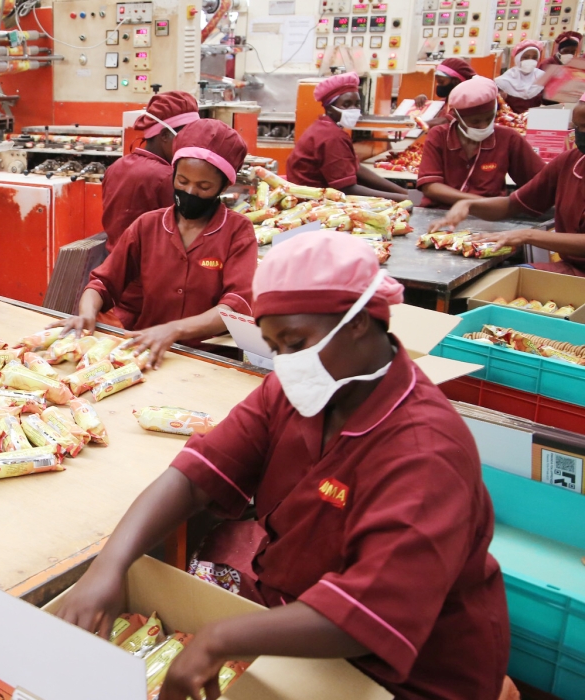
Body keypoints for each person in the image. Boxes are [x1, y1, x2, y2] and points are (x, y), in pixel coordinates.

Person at [56, 230, 509, 700]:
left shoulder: (423, 451)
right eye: (275, 348)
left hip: (405, 671)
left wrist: (220, 638)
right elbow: (195, 477)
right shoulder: (301, 389)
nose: (287, 364)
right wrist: (109, 567)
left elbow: (372, 613)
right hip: (300, 626)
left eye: (295, 342)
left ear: (358, 322)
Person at [49, 119, 257, 367]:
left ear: (225, 185)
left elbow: (236, 306)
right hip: (146, 349)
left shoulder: (237, 231)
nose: (190, 192)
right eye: (182, 181)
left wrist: (174, 330)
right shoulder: (147, 226)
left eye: (204, 186)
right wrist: (86, 314)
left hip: (210, 358)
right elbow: (103, 284)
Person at [427, 95, 585, 276]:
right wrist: (468, 205)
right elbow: (512, 204)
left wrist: (528, 235)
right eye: (576, 127)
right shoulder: (570, 162)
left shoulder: (508, 138)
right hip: (571, 270)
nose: (579, 133)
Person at [417, 77, 543, 207]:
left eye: (489, 119)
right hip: (439, 214)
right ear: (457, 117)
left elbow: (542, 180)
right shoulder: (439, 136)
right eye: (475, 122)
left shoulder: (508, 138)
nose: (484, 126)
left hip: (487, 218)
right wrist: (484, 203)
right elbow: (430, 187)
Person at [286, 73, 410, 202]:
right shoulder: (331, 137)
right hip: (311, 205)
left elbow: (357, 170)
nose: (354, 109)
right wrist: (405, 198)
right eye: (346, 104)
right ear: (329, 108)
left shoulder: (327, 127)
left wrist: (404, 192)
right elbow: (346, 188)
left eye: (357, 104)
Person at [102, 91, 200, 252]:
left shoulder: (117, 166)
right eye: (188, 137)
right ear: (165, 135)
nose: (192, 145)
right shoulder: (166, 177)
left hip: (114, 263)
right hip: (148, 271)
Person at [495, 41, 546, 113]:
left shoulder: (542, 77)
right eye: (526, 57)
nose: (530, 60)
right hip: (511, 121)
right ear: (518, 58)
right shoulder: (504, 81)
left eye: (534, 58)